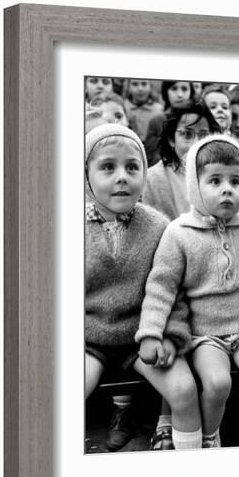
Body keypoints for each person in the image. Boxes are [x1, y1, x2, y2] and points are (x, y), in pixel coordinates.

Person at [136, 134, 239, 448]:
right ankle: (208, 438)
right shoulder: (179, 233)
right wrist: (151, 332)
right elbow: (162, 287)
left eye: (235, 181)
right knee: (218, 383)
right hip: (205, 335)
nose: (227, 189)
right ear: (195, 184)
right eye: (214, 181)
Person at [85, 123, 202, 451]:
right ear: (86, 176)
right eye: (108, 167)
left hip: (141, 335)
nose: (121, 176)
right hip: (88, 337)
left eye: (132, 167)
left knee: (183, 390)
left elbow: (173, 291)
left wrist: (169, 335)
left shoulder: (158, 227)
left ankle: (191, 468)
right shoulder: (69, 226)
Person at [143, 101, 221, 221]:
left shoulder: (221, 175)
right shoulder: (152, 179)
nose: (195, 143)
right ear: (171, 140)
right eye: (187, 135)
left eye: (203, 135)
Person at [144, 80, 195, 166]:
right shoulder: (157, 121)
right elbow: (151, 157)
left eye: (184, 89)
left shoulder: (197, 120)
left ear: (191, 92)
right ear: (165, 92)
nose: (180, 95)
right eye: (174, 89)